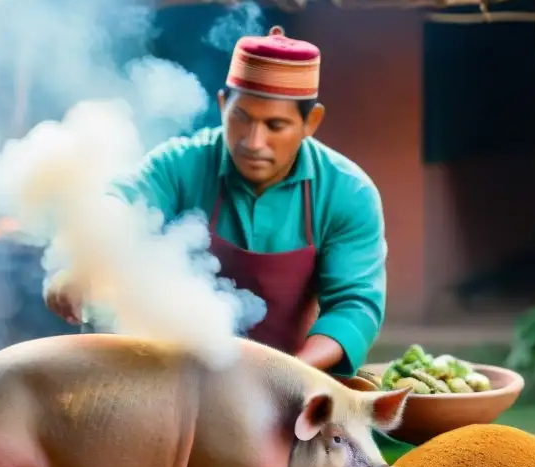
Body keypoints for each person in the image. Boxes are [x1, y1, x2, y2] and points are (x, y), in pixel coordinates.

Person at [46, 26, 387, 376]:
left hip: (293, 377)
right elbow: (119, 199)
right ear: (223, 104)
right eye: (241, 118)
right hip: (181, 374)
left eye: (275, 125)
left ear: (310, 122)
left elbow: (354, 306)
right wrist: (82, 260)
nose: (254, 142)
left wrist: (289, 374)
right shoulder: (183, 164)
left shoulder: (348, 193)